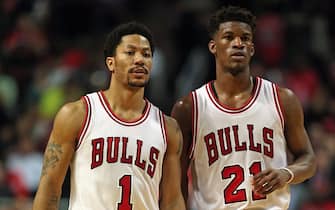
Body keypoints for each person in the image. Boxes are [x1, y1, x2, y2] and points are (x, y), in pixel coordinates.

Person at [171, 5, 317, 210]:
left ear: (252, 48)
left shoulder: (282, 99)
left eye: (245, 38)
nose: (238, 43)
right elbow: (175, 184)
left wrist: (287, 173)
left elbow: (308, 160)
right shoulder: (189, 108)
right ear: (213, 46)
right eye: (229, 37)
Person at [33, 21, 186, 210]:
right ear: (111, 63)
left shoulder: (168, 128)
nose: (140, 59)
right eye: (130, 53)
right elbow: (50, 187)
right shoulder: (77, 114)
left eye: (146, 54)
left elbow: (172, 201)